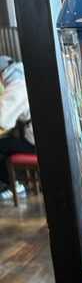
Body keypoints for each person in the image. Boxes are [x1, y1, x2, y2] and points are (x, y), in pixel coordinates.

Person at [0, 56, 35, 200]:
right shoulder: (22, 77)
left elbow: (2, 119)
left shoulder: (17, 87)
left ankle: (14, 186)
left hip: (36, 143)